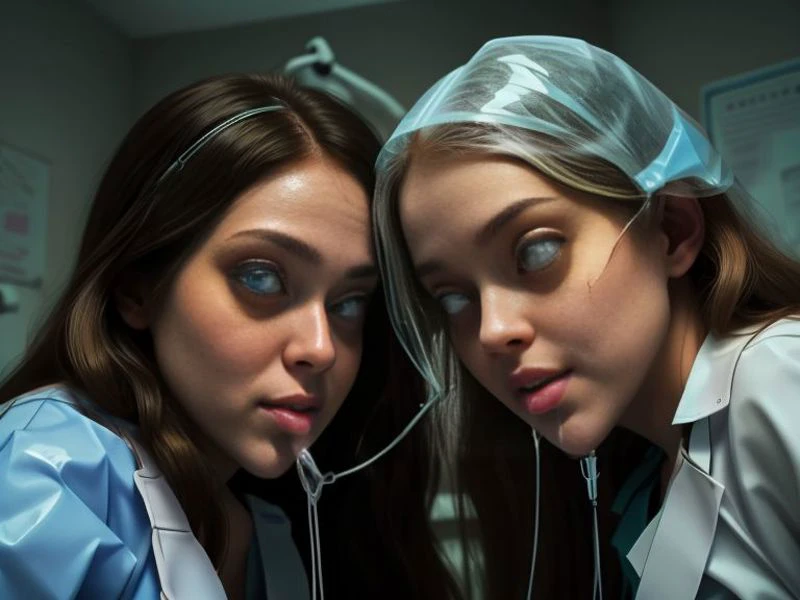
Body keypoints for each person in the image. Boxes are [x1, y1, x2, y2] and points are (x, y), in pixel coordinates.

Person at [0, 73, 459, 599]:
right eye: (260, 278)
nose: (320, 348)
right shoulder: (46, 471)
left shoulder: (269, 524)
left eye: (349, 303)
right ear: (137, 288)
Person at [373, 35, 800, 599]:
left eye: (536, 252)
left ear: (672, 228)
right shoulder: (643, 469)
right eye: (453, 297)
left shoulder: (779, 379)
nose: (492, 331)